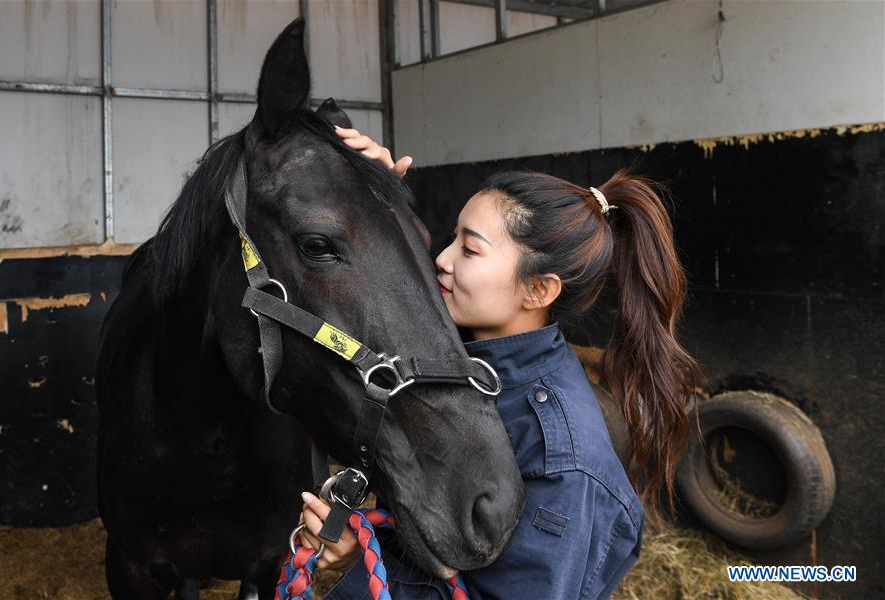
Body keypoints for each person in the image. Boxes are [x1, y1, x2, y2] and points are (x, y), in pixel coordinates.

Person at [292, 126, 702, 599]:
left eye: (469, 249)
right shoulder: (454, 368)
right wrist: (372, 200)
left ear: (538, 290)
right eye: (452, 238)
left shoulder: (564, 464)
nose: (441, 260)